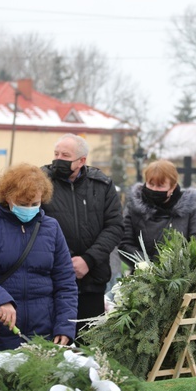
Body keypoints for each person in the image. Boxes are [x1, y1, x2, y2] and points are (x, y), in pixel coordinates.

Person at [0, 163, 77, 366]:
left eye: (35, 204)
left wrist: (65, 327)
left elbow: (65, 283)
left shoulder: (51, 228)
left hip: (41, 333)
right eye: (23, 203)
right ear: (7, 196)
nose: (29, 209)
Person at [41, 134, 123, 338]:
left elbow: (114, 226)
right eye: (56, 153)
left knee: (89, 346)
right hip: (53, 279)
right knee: (54, 347)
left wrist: (88, 260)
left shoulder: (101, 185)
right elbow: (38, 224)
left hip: (91, 280)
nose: (58, 158)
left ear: (81, 161)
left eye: (65, 155)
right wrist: (65, 260)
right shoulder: (41, 182)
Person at [120, 159, 196, 265]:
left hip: (180, 275)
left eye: (160, 185)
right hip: (143, 274)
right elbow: (125, 243)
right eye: (151, 184)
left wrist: (177, 266)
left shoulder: (190, 209)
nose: (154, 189)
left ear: (172, 187)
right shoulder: (134, 208)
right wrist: (146, 265)